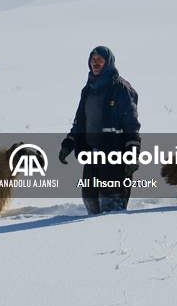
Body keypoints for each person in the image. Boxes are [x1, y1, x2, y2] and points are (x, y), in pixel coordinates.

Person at [58, 46, 140, 214]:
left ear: (108, 62)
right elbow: (80, 123)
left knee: (112, 207)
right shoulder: (88, 89)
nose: (95, 62)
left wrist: (132, 154)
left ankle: (115, 239)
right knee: (90, 199)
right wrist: (69, 143)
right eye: (93, 59)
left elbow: (131, 125)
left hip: (114, 156)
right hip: (92, 156)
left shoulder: (121, 88)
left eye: (99, 59)